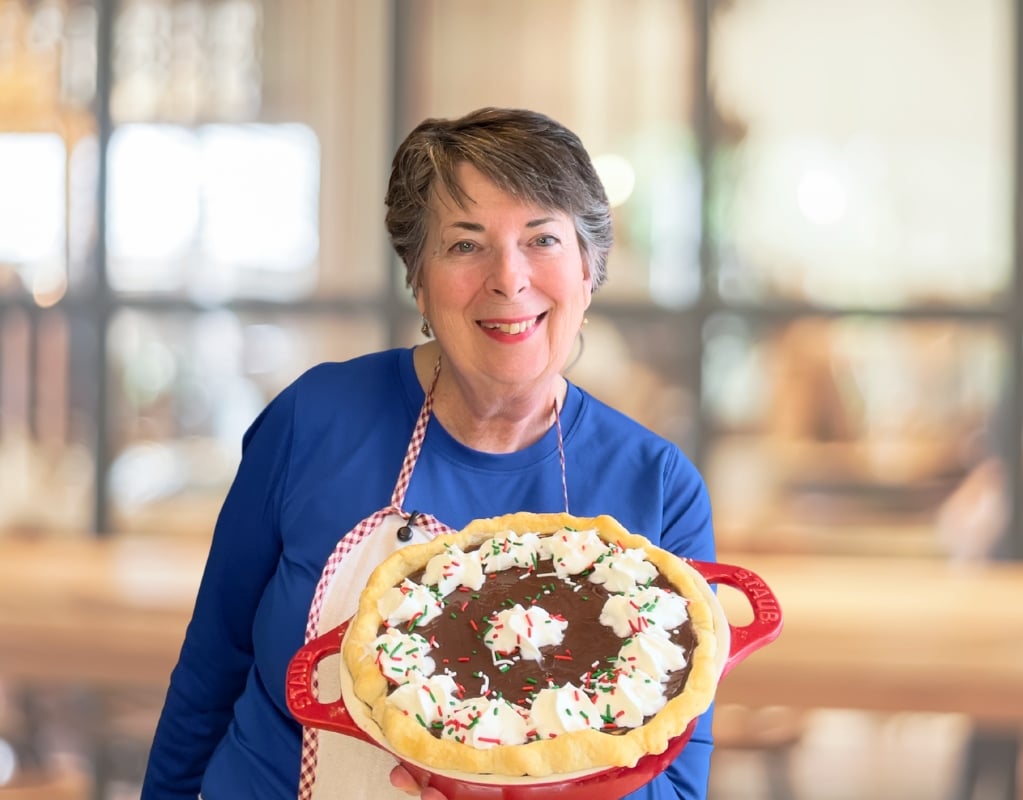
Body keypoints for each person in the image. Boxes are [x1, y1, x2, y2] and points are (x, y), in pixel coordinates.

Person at [142, 107, 716, 800]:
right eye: (466, 245)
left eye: (542, 239)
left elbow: (677, 778)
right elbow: (210, 674)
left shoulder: (656, 487)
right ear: (418, 279)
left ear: (589, 269)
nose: (509, 279)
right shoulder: (312, 422)